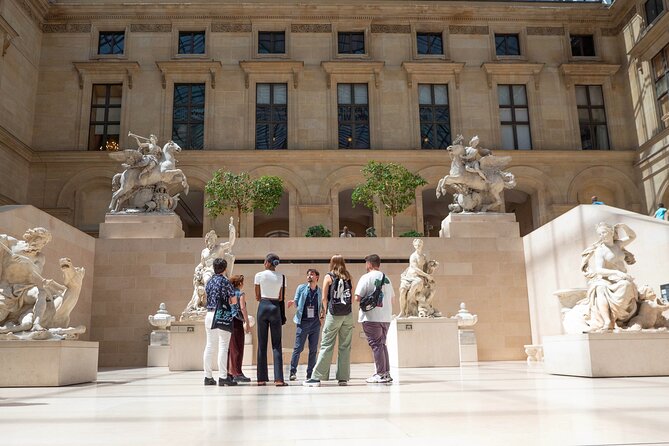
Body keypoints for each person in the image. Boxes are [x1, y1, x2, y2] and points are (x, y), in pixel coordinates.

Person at [303, 255, 354, 387]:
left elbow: (324, 298)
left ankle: (317, 377)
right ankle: (343, 378)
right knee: (345, 346)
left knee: (327, 344)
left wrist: (325, 312)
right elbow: (351, 299)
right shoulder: (348, 276)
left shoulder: (328, 277)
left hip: (333, 314)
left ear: (332, 263)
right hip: (348, 315)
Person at [581, 222, 638, 331]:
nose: (601, 235)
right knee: (600, 288)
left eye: (604, 232)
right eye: (599, 234)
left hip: (621, 279)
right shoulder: (600, 250)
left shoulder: (618, 244)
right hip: (606, 278)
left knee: (625, 285)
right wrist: (615, 273)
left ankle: (619, 316)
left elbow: (632, 236)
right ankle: (607, 320)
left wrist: (624, 227)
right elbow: (599, 270)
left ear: (611, 232)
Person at [355, 254, 395, 384]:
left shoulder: (366, 278)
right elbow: (392, 299)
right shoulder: (387, 278)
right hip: (386, 317)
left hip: (371, 317)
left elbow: (357, 297)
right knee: (382, 344)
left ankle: (380, 374)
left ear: (369, 264)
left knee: (376, 345)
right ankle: (386, 372)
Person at [203, 258, 237, 386]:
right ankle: (223, 377)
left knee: (209, 346)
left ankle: (208, 376)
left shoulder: (209, 281)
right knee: (223, 346)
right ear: (225, 268)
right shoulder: (225, 282)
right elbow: (233, 300)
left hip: (209, 314)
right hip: (221, 314)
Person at [255, 253, 287, 386]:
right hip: (275, 308)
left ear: (267, 263)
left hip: (263, 306)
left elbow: (257, 295)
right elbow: (281, 297)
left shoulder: (259, 275)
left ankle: (261, 378)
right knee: (277, 344)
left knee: (262, 344)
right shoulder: (282, 277)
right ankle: (279, 379)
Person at [287, 268, 322, 381]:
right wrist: (294, 303)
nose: (309, 276)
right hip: (303, 322)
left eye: (312, 275)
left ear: (317, 277)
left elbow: (322, 305)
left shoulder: (320, 291)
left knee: (313, 350)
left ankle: (310, 373)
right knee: (298, 348)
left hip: (315, 323)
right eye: (308, 275)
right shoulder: (301, 288)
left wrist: (322, 316)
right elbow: (296, 301)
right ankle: (293, 371)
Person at [226, 274, 251, 383]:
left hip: (228, 322)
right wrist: (247, 321)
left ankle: (229, 372)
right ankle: (238, 373)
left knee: (230, 348)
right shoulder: (240, 293)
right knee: (238, 347)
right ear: (240, 283)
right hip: (236, 322)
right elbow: (242, 308)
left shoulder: (229, 293)